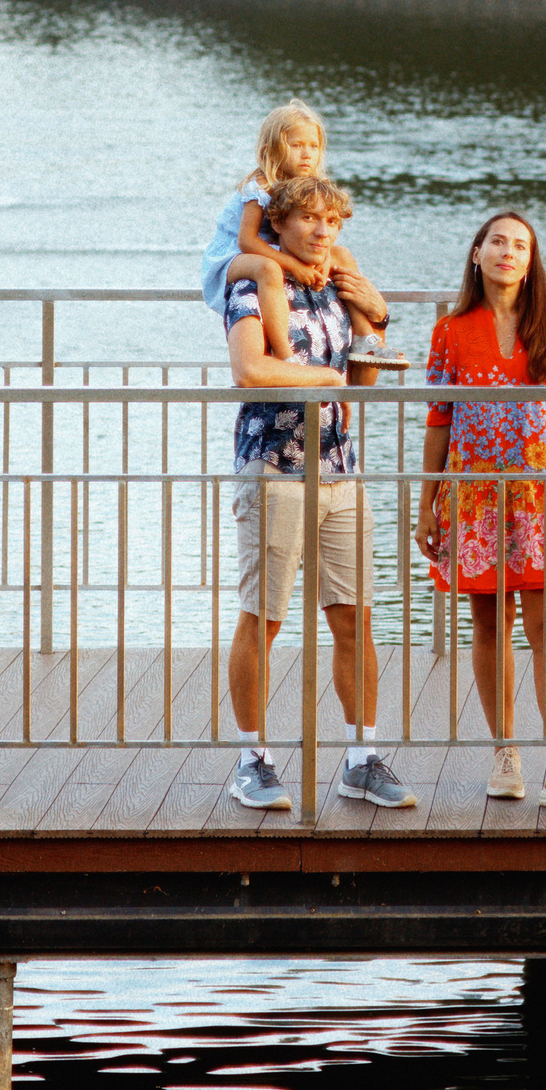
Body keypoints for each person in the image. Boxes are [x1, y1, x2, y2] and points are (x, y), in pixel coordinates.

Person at [219, 174, 411, 813]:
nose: (323, 231)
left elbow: (364, 382)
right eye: (309, 219)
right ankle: (252, 759)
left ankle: (361, 759)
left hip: (338, 468)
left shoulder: (336, 283)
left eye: (332, 221)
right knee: (264, 616)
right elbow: (250, 369)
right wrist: (324, 375)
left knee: (353, 615)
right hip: (273, 467)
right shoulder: (250, 284)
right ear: (279, 224)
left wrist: (375, 319)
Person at [418, 210, 546, 815]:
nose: (508, 252)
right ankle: (505, 753)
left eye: (520, 245)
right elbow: (439, 417)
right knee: (489, 624)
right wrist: (426, 502)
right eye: (497, 241)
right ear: (476, 254)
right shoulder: (451, 330)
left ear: (532, 262)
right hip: (475, 495)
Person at [200, 101, 387, 364]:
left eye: (313, 146)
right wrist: (294, 266)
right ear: (272, 149)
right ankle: (285, 354)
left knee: (341, 255)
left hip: (269, 249)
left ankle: (366, 342)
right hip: (231, 256)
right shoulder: (262, 186)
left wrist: (324, 259)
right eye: (296, 146)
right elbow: (247, 241)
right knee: (269, 270)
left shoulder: (307, 186)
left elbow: (318, 228)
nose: (307, 154)